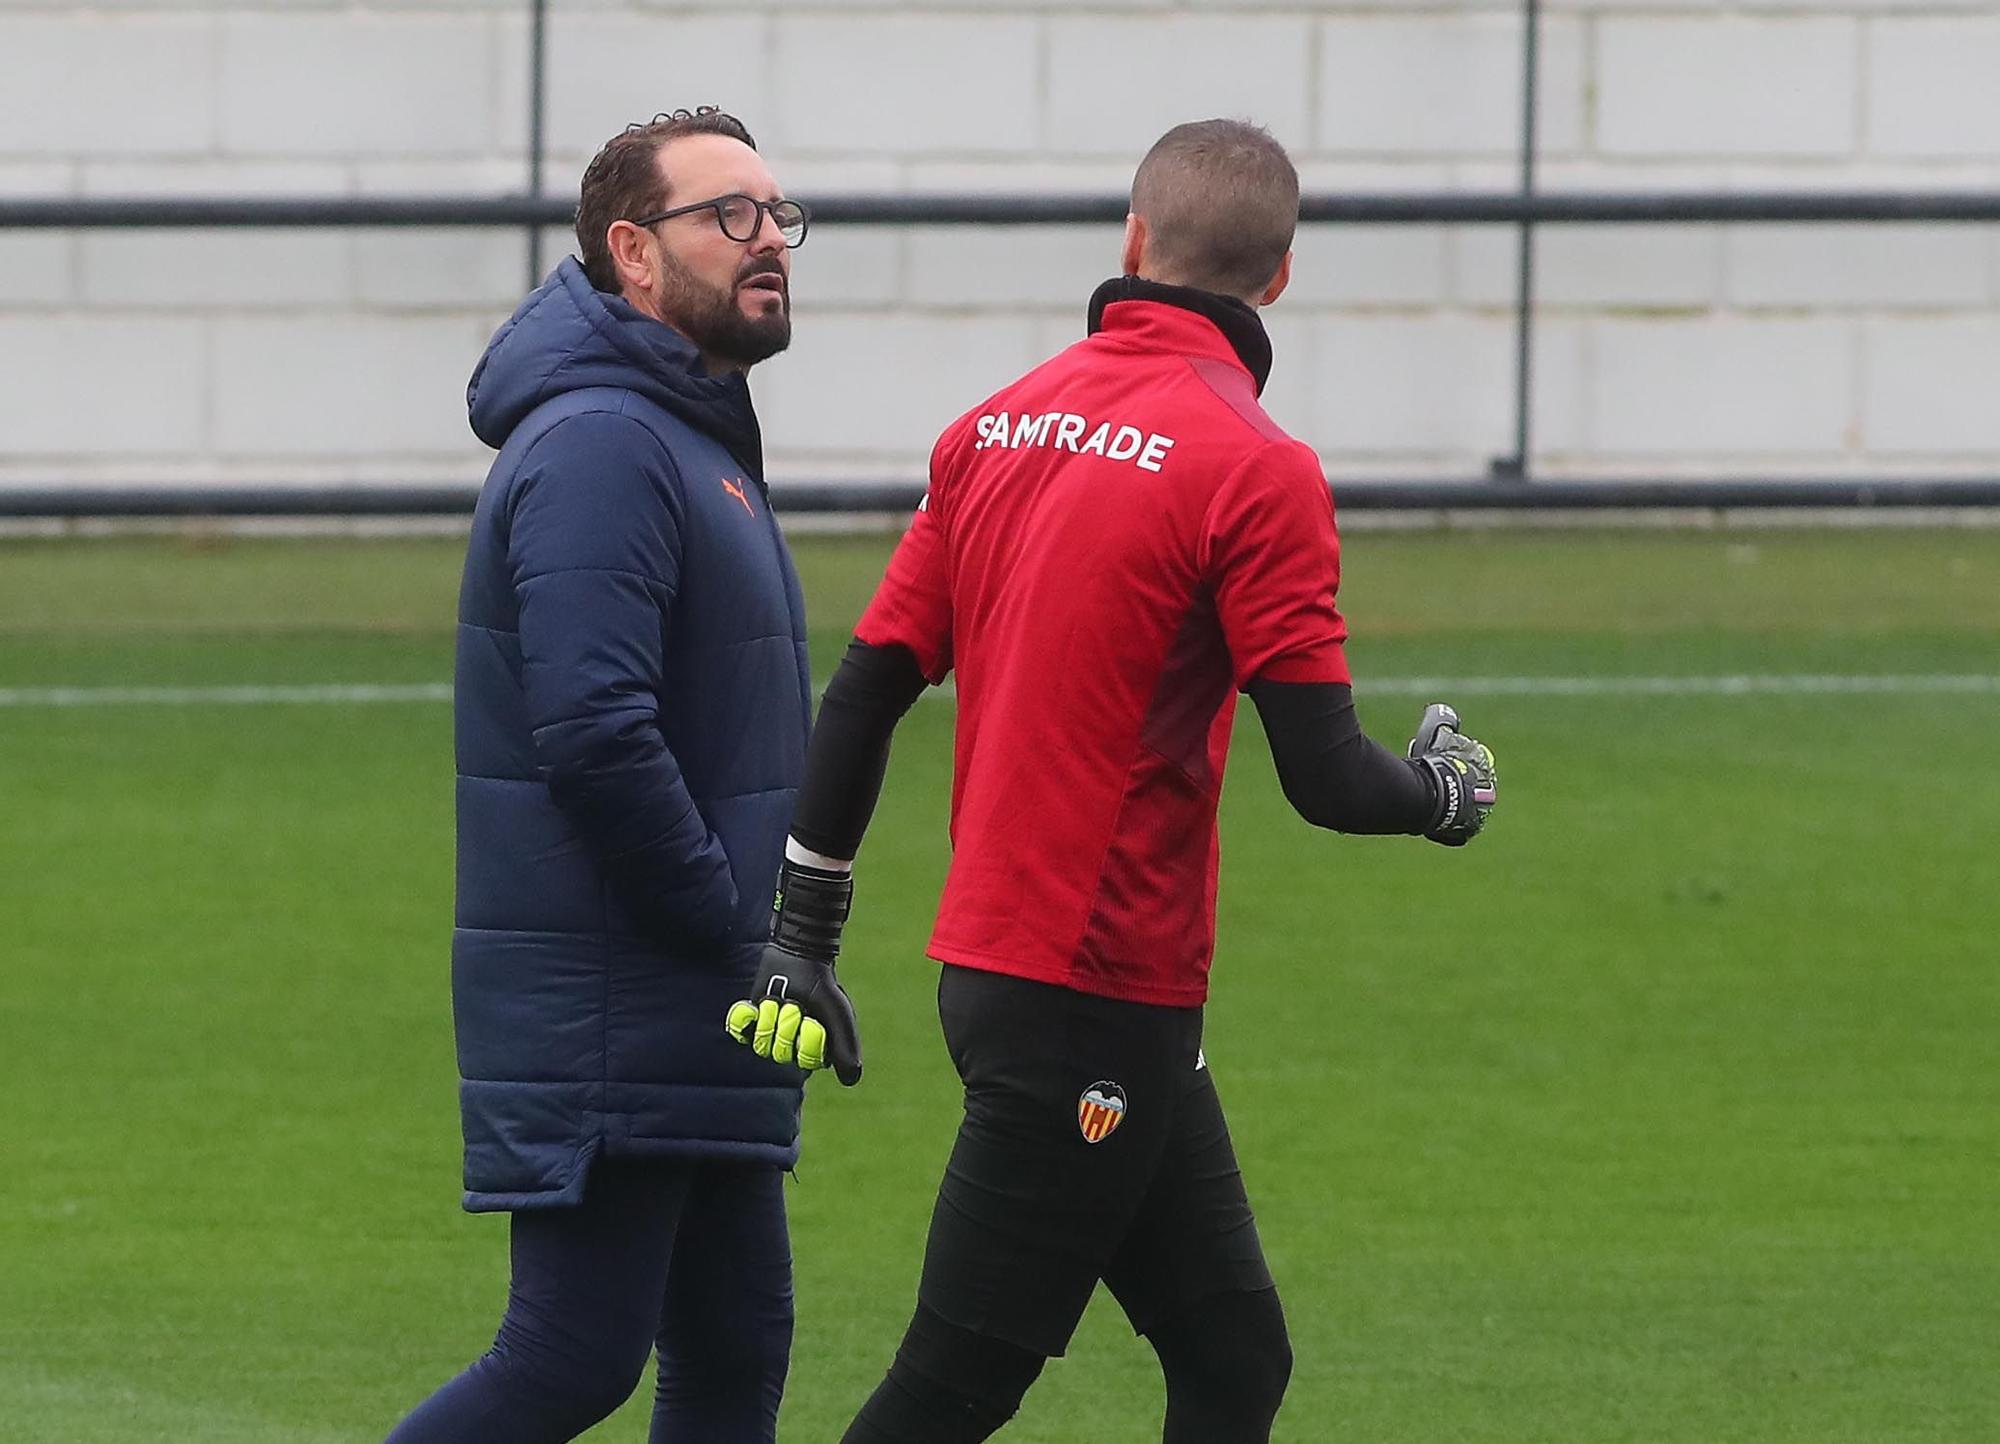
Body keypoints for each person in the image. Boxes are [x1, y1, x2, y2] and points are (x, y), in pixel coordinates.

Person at [725, 119, 1498, 1443]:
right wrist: (1440, 793)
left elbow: (862, 695)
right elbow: (1325, 775)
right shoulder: (1258, 468)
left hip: (1019, 979)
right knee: (950, 1392)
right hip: (1091, 994)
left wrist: (804, 934)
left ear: (1134, 240)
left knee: (1234, 1359)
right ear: (1282, 276)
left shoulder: (994, 429)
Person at [386, 107, 815, 1444]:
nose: (767, 240)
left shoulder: (684, 435)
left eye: (778, 215)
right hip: (626, 995)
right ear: (633, 252)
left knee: (732, 1352)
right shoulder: (604, 446)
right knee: (570, 1359)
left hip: (692, 998)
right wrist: (732, 928)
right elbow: (594, 730)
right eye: (728, 215)